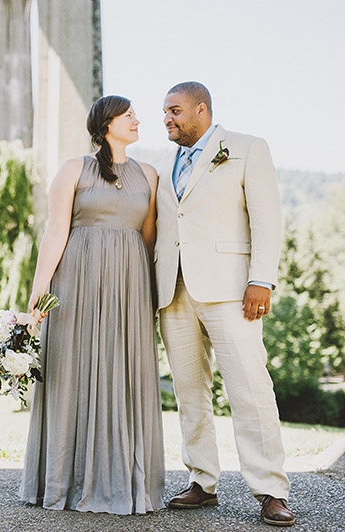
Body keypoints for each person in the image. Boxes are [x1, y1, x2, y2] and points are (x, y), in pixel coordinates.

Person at [154, 81, 294, 527]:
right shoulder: (164, 165)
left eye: (174, 110)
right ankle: (201, 480)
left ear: (201, 109)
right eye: (164, 113)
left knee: (250, 389)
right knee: (189, 390)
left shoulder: (247, 148)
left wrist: (262, 280)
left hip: (233, 291)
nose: (167, 119)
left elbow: (266, 218)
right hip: (173, 292)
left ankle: (270, 489)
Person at [19, 95, 165, 514]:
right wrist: (39, 289)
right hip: (77, 279)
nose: (138, 120)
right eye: (129, 115)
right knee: (73, 367)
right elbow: (54, 232)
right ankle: (65, 480)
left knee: (124, 370)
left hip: (130, 283)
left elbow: (149, 236)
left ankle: (124, 479)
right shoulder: (73, 170)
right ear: (106, 124)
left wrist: (153, 293)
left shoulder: (149, 174)